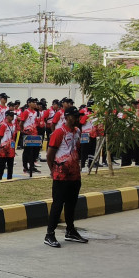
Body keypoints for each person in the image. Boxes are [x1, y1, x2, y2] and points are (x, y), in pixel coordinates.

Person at [45, 106, 89, 248]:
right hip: (61, 174)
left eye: (78, 116)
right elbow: (49, 155)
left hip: (74, 174)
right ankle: (49, 234)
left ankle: (70, 230)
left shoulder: (77, 131)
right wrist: (53, 170)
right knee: (58, 204)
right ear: (67, 117)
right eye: (75, 116)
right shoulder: (59, 132)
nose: (77, 119)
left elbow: (76, 149)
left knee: (71, 203)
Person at [0, 111, 17, 181]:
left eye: (13, 115)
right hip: (4, 147)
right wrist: (2, 145)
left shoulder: (13, 125)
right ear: (7, 116)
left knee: (10, 164)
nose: (12, 117)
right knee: (2, 164)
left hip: (11, 146)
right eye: (11, 115)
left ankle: (9, 177)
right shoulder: (4, 125)